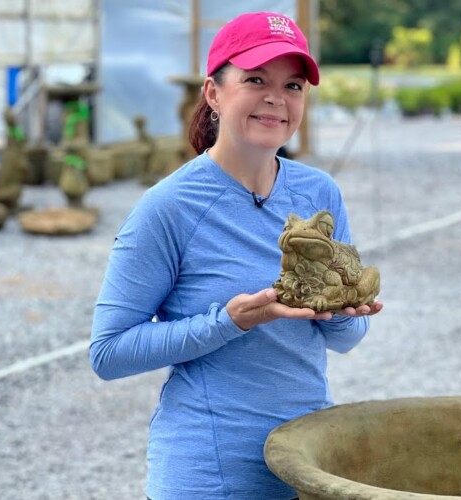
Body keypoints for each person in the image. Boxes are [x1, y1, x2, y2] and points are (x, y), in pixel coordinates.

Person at [90, 11, 382, 500]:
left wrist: (337, 312)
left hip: (308, 458)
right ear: (213, 93)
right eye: (255, 79)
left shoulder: (318, 193)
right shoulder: (168, 207)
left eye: (293, 85)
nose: (276, 98)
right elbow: (108, 353)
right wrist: (231, 321)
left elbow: (347, 338)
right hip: (209, 471)